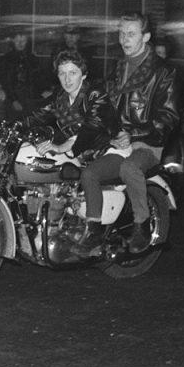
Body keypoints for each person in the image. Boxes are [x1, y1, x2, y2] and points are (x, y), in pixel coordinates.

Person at [76, 11, 180, 254]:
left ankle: (141, 226)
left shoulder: (163, 72)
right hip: (119, 143)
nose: (124, 39)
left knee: (129, 168)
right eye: (121, 33)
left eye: (131, 34)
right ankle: (95, 229)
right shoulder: (119, 66)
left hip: (147, 143)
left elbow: (169, 117)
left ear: (146, 37)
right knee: (88, 173)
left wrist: (133, 135)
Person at [25, 49, 118, 240]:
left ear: (83, 74)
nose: (67, 79)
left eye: (72, 73)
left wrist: (63, 146)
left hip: (102, 150)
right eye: (62, 73)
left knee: (88, 175)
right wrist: (12, 126)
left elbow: (93, 126)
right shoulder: (60, 98)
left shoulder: (95, 95)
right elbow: (37, 115)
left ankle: (94, 231)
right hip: (78, 153)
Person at [0, 28, 48, 123]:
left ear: (27, 42)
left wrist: (41, 93)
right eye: (17, 40)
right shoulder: (6, 59)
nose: (20, 43)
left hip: (30, 98)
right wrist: (14, 100)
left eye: (23, 40)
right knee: (13, 126)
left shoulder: (32, 59)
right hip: (13, 97)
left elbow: (39, 78)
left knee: (30, 125)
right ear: (13, 41)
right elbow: (6, 82)